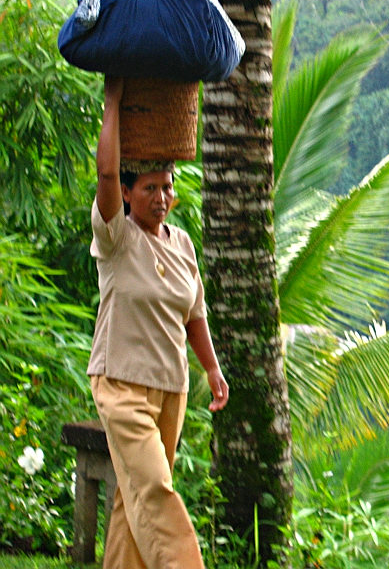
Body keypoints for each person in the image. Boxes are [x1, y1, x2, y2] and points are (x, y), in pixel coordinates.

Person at [87, 74, 229, 569]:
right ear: (128, 193)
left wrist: (212, 369)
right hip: (122, 384)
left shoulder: (182, 243)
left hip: (172, 387)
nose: (162, 197)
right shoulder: (116, 238)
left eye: (167, 187)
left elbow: (195, 313)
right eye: (150, 188)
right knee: (154, 491)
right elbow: (106, 175)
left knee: (133, 503)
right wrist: (113, 101)